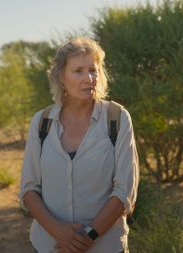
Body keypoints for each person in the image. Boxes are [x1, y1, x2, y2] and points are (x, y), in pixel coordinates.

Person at [19, 37, 139, 253]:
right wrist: (59, 234)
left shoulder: (117, 118)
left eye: (93, 70)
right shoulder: (42, 122)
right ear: (61, 77)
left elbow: (124, 192)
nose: (89, 78)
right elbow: (29, 189)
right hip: (51, 246)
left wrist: (87, 238)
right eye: (78, 71)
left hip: (105, 246)